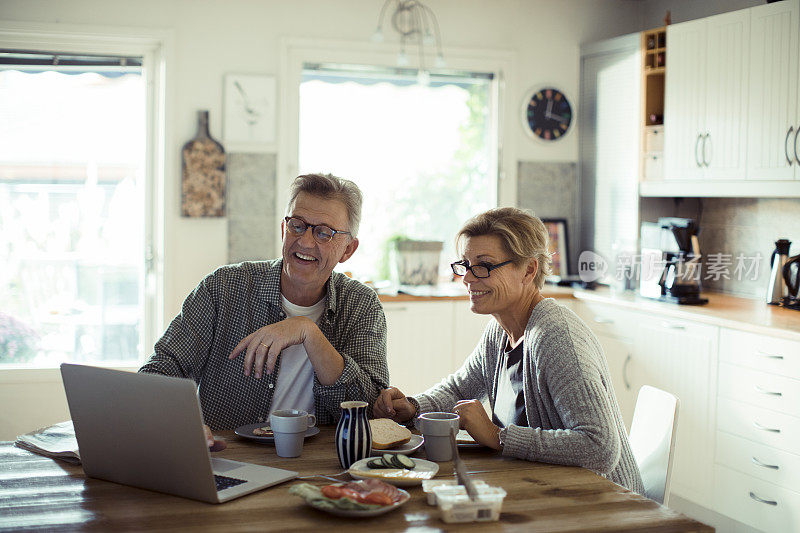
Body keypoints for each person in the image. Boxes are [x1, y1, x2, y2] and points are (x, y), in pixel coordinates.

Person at [373, 207, 644, 495]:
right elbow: (459, 389)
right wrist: (413, 407)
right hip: (545, 491)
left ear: (528, 269)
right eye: (465, 264)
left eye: (483, 266)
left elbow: (600, 448)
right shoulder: (500, 330)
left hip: (606, 503)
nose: (467, 278)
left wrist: (498, 437)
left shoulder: (556, 336)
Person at [141, 173, 389, 449]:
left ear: (348, 249)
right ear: (284, 230)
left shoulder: (361, 305)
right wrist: (180, 422)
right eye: (298, 225)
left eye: (323, 233)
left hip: (321, 466)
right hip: (228, 459)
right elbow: (160, 371)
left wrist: (308, 332)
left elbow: (373, 409)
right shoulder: (223, 288)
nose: (305, 242)